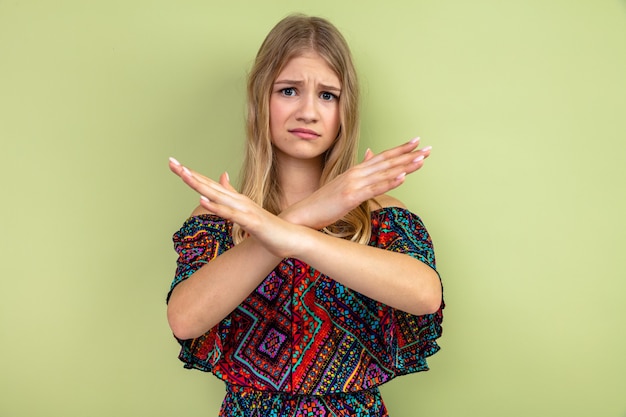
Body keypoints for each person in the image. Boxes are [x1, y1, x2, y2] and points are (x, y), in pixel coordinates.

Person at [166, 14, 444, 417]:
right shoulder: (223, 217)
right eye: (289, 90)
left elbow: (425, 295)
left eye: (328, 95)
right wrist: (311, 211)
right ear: (261, 98)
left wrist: (289, 233)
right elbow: (185, 319)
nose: (309, 112)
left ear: (345, 110)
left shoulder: (382, 218)